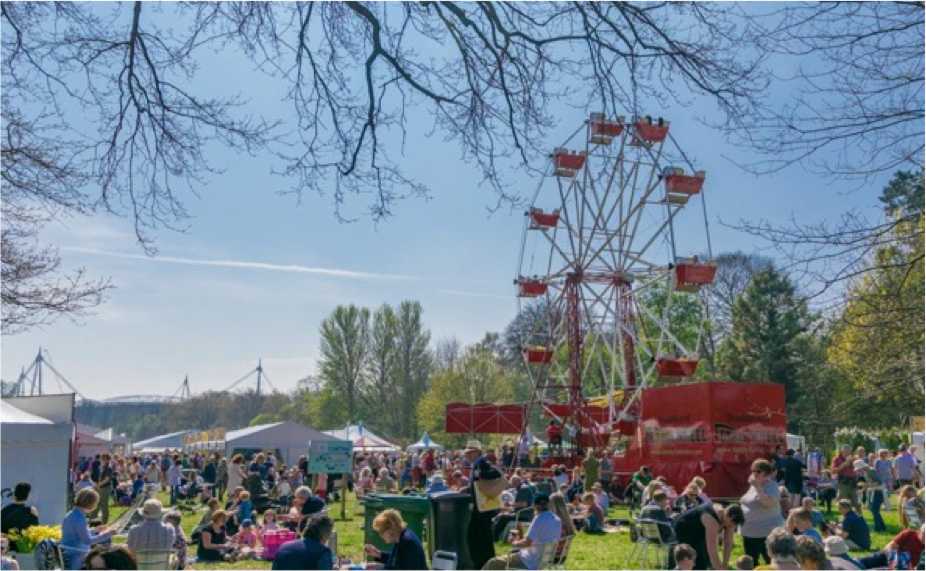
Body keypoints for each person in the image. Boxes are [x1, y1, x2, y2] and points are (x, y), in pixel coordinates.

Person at [483, 493, 561, 570]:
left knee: (493, 562)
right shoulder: (557, 519)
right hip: (544, 560)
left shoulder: (539, 519)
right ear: (548, 504)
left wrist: (514, 542)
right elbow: (536, 539)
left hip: (529, 561)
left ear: (535, 505)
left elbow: (527, 543)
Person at [465, 440, 505, 570]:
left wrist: (480, 476)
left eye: (470, 453)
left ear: (476, 452)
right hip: (481, 509)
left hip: (483, 509)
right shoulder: (477, 465)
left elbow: (496, 474)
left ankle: (483, 564)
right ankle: (485, 563)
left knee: (478, 537)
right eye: (467, 453)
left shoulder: (482, 464)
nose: (467, 455)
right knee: (481, 537)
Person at [673, 502, 743, 570]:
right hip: (684, 529)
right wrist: (719, 568)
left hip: (700, 531)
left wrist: (725, 564)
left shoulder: (730, 520)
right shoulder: (712, 520)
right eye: (731, 524)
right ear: (728, 516)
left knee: (705, 561)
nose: (732, 527)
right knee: (692, 560)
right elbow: (712, 550)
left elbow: (728, 542)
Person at [742, 459, 785, 566]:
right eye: (752, 471)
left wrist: (758, 487)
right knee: (752, 565)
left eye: (757, 471)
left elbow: (768, 503)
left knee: (772, 564)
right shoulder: (753, 486)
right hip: (749, 533)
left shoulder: (772, 486)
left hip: (766, 534)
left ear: (766, 473)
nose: (754, 473)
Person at [60, 489, 114, 570]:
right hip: (77, 555)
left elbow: (76, 533)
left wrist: (95, 530)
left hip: (69, 553)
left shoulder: (71, 514)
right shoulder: (80, 518)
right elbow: (88, 541)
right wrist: (108, 534)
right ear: (91, 504)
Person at [857, 525, 924, 570]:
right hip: (888, 558)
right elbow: (889, 547)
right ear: (920, 531)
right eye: (924, 534)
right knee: (859, 563)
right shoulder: (909, 534)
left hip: (904, 568)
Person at [492, 476, 534, 541]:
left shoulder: (523, 489)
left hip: (524, 515)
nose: (512, 483)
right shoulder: (520, 489)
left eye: (514, 482)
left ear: (518, 481)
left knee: (503, 517)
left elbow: (523, 504)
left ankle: (495, 537)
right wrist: (508, 509)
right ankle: (498, 536)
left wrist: (509, 504)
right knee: (500, 515)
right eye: (512, 482)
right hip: (521, 513)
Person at [831, 446, 859, 512]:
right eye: (846, 451)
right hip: (843, 482)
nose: (847, 453)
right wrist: (844, 464)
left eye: (849, 451)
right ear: (842, 451)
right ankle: (845, 518)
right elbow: (833, 471)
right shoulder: (837, 459)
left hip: (853, 482)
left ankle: (859, 519)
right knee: (844, 502)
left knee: (856, 502)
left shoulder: (853, 458)